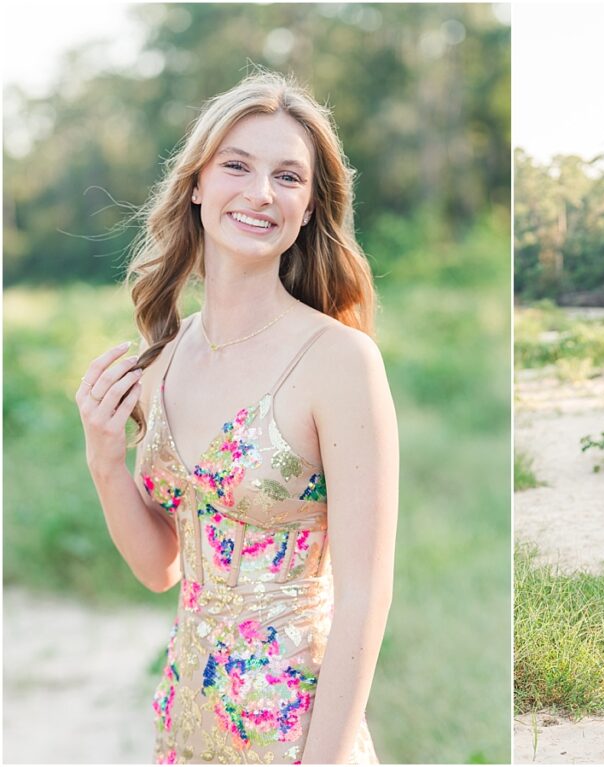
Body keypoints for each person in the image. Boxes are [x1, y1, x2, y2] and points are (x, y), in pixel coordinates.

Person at [75, 70, 399, 763]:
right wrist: (104, 461)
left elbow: (366, 595)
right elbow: (160, 565)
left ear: (310, 207)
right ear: (197, 183)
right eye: (237, 166)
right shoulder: (162, 358)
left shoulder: (340, 361)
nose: (260, 193)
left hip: (297, 736)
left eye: (288, 177)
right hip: (185, 722)